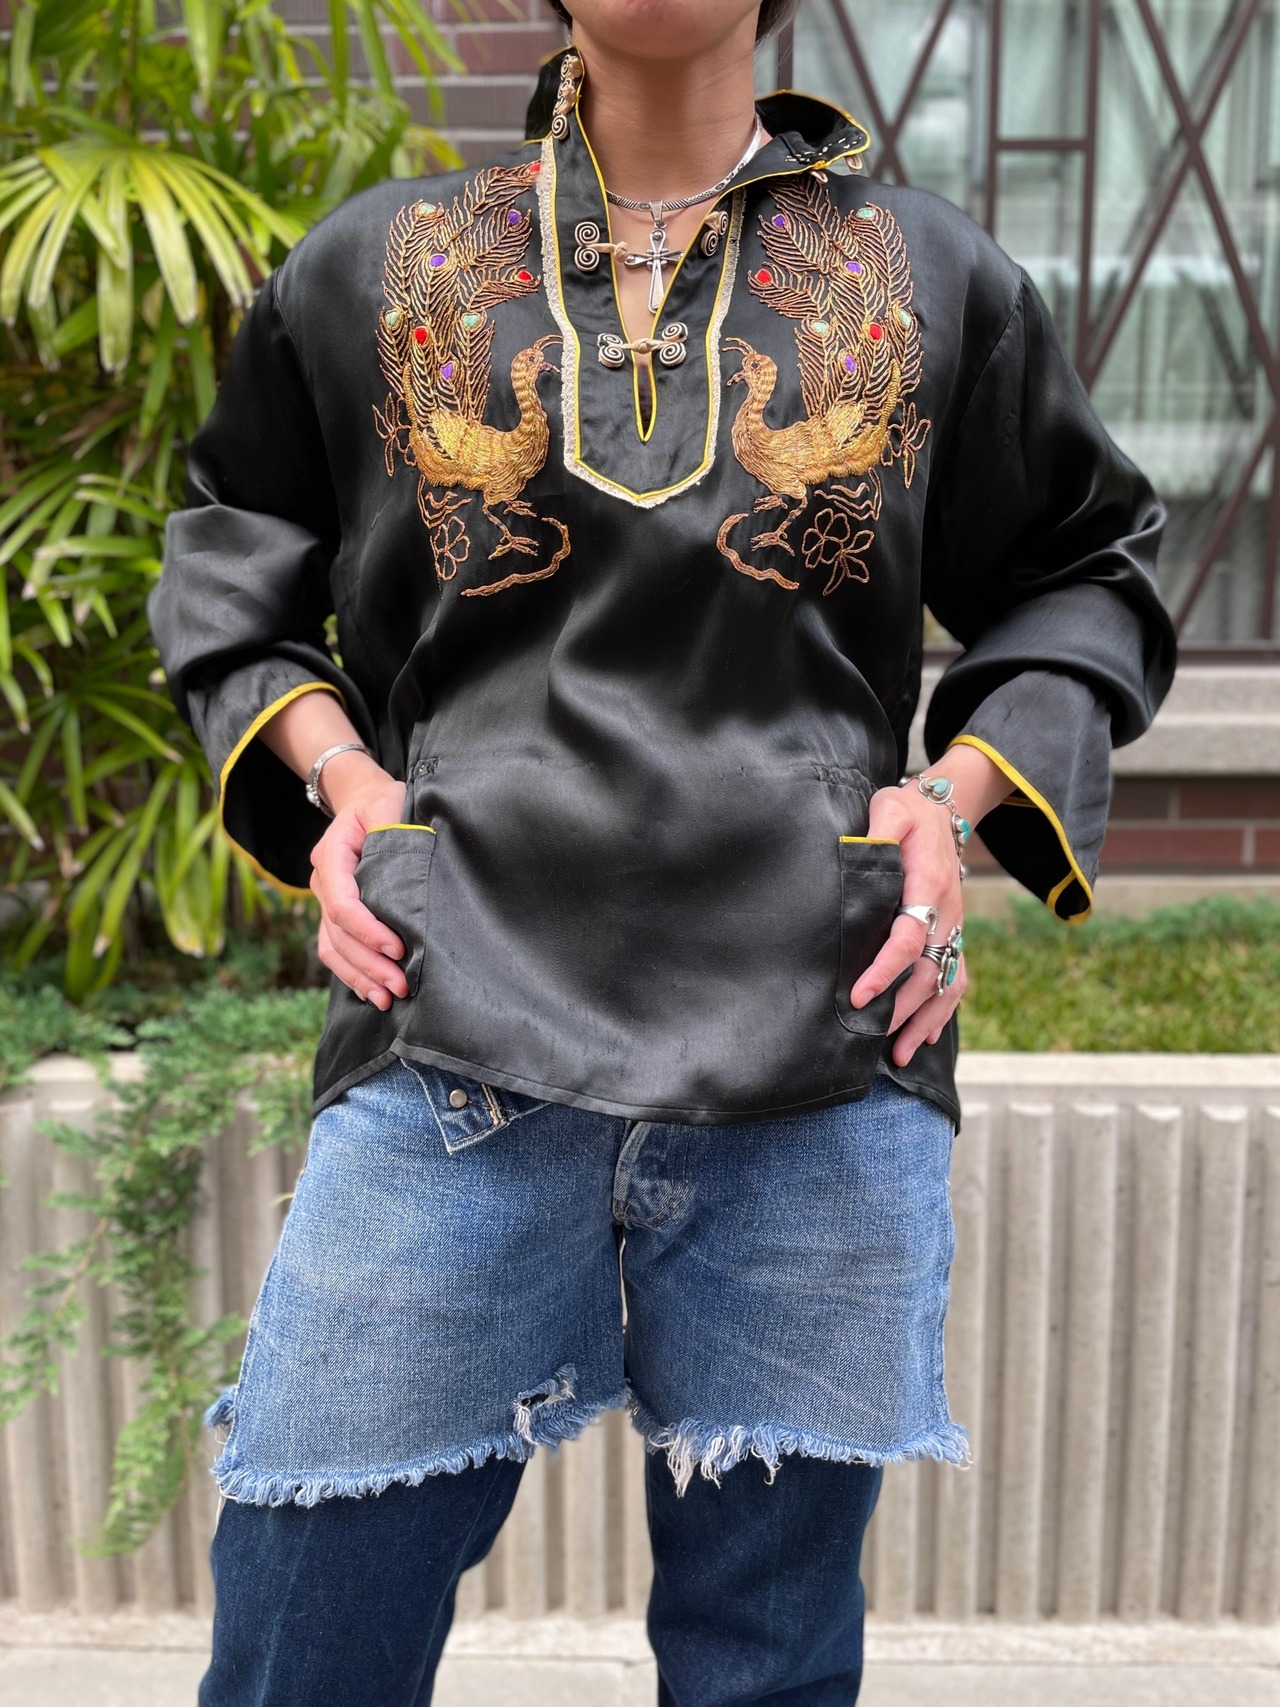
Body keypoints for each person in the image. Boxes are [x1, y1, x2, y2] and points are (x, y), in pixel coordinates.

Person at [146, 1, 1177, 1700]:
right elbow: (233, 553)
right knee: (304, 1632)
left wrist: (953, 797)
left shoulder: (928, 276)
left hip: (819, 1033)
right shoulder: (379, 265)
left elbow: (1084, 566)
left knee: (767, 1664)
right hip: (447, 1018)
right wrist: (342, 784)